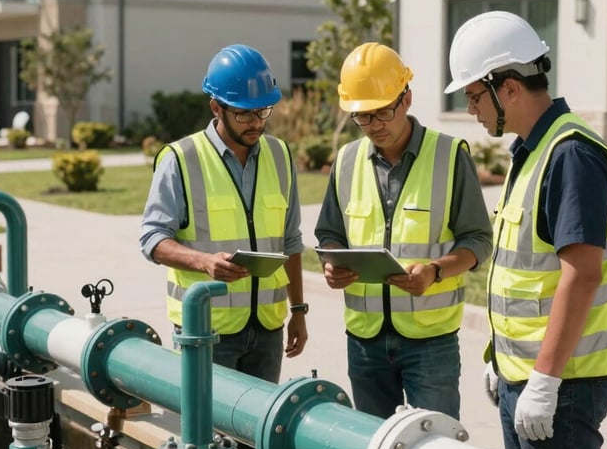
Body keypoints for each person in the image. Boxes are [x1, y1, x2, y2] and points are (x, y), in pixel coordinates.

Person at [445, 10, 607, 449]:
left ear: (508, 87)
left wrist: (546, 380)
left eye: (474, 96)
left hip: (563, 387)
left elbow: (581, 274)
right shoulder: (535, 147)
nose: (471, 111)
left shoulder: (571, 154)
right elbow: (527, 273)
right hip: (522, 377)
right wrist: (499, 360)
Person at [315, 42, 493, 421]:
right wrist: (333, 266)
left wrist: (436, 270)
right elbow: (330, 233)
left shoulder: (449, 155)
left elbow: (478, 239)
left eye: (383, 112)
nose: (374, 125)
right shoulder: (346, 161)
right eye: (363, 117)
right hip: (365, 340)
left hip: (430, 341)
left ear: (407, 98)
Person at [140, 44, 308, 383]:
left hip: (267, 330)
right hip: (206, 330)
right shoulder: (181, 158)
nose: (256, 123)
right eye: (244, 114)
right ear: (216, 107)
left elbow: (290, 241)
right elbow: (152, 239)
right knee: (207, 434)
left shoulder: (279, 154)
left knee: (256, 432)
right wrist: (204, 262)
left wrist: (298, 311)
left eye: (263, 111)